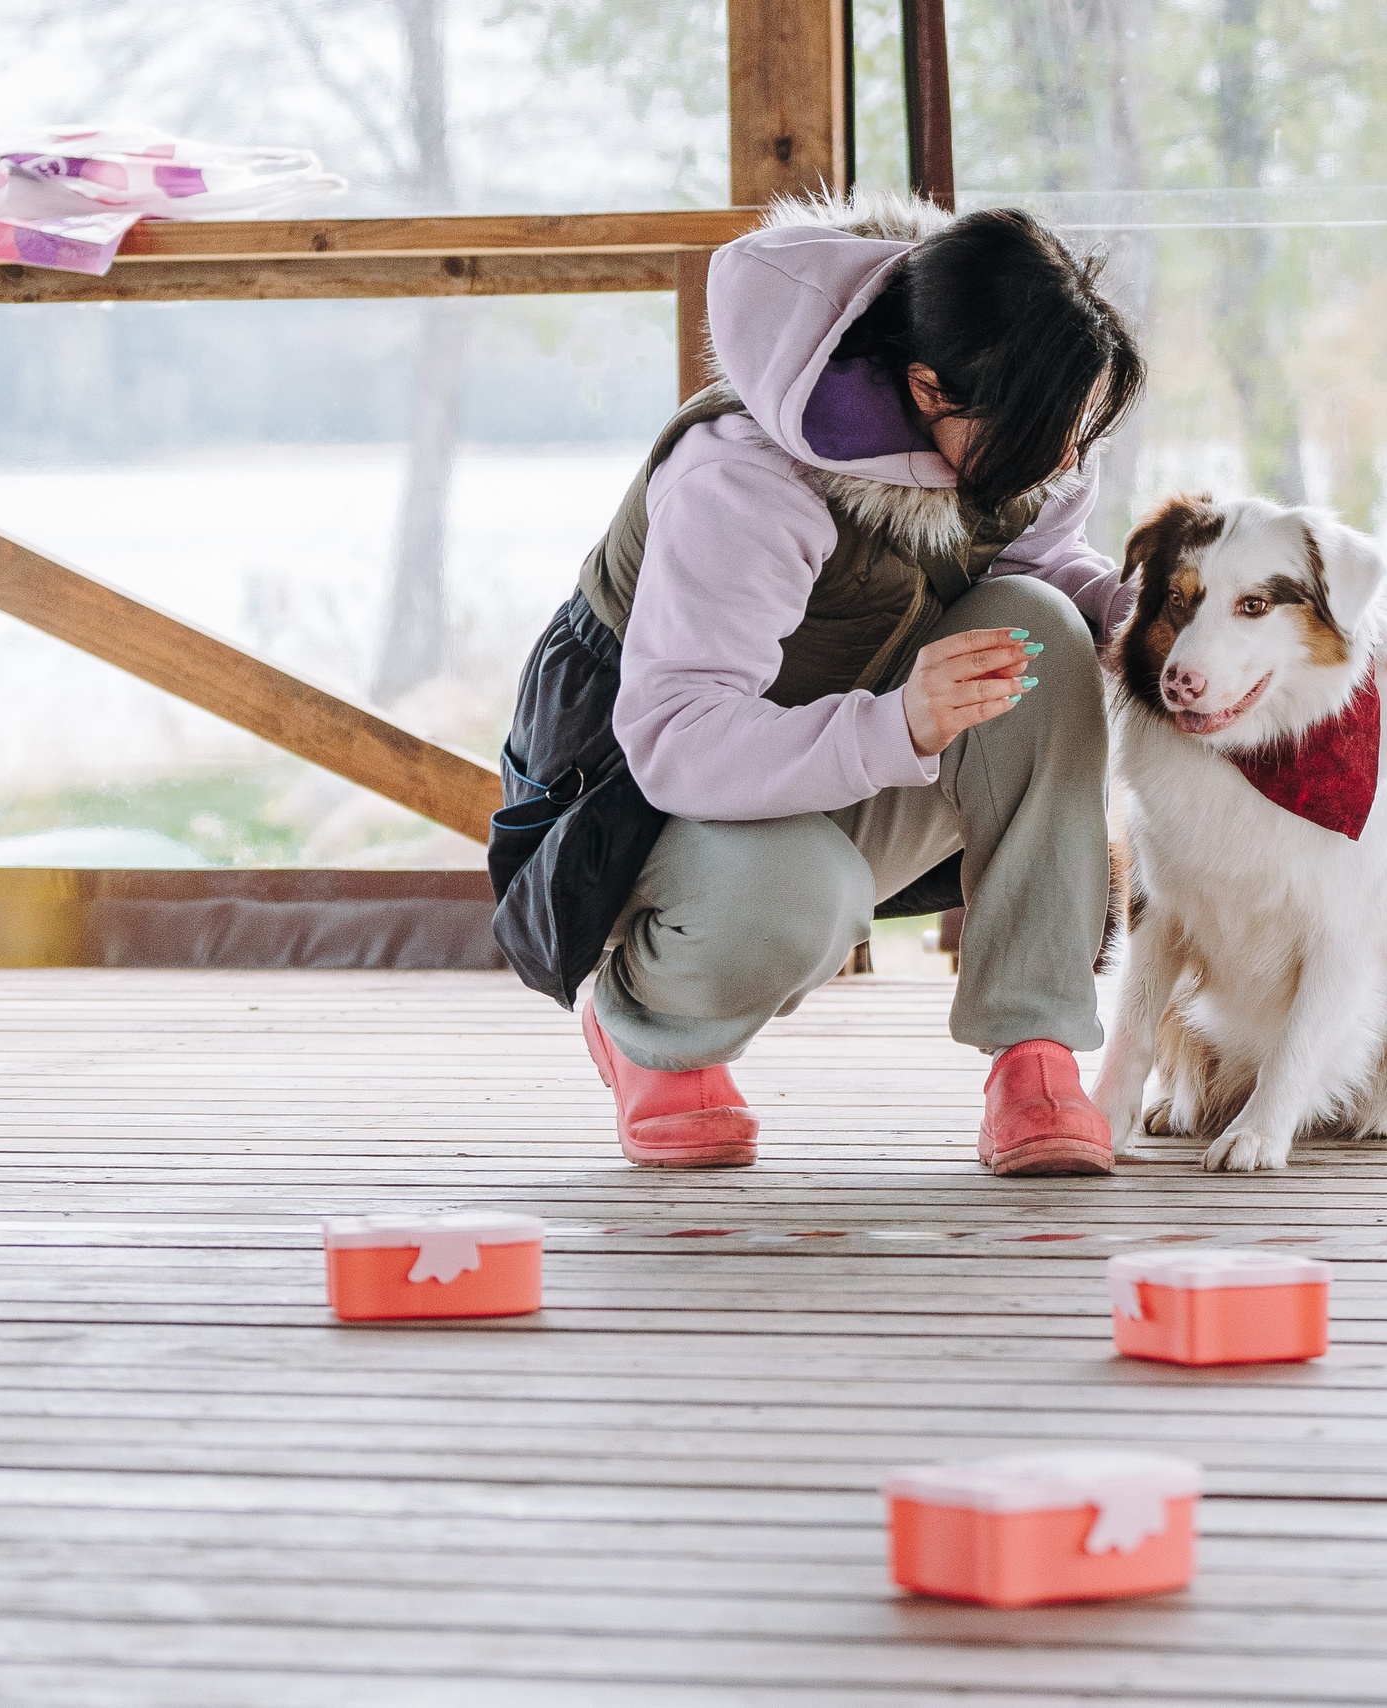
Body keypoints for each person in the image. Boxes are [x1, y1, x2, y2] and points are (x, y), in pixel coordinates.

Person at [489, 191, 1147, 1178]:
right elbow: (676, 743)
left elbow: (1040, 563)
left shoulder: (1018, 426)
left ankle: (1035, 1050)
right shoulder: (745, 481)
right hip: (644, 818)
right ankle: (644, 1026)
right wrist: (898, 726)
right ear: (927, 388)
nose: (1064, 455)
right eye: (1047, 426)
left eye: (1080, 424)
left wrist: (1137, 618)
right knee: (802, 893)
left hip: (849, 750)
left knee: (1045, 634)